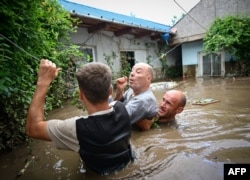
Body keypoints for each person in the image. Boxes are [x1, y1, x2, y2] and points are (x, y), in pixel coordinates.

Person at [26, 59, 134, 175]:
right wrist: (119, 91)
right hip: (128, 163)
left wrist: (43, 82)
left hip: (97, 174)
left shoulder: (75, 127)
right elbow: (112, 105)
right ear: (110, 91)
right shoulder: (122, 107)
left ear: (80, 95)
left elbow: (33, 129)